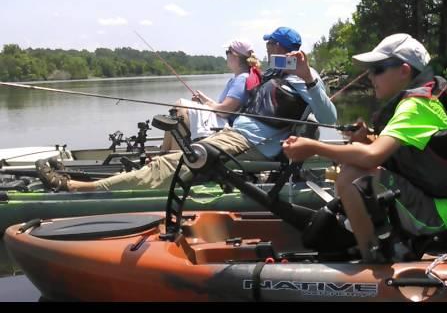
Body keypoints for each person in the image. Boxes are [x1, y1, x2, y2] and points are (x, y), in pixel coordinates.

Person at [37, 26, 337, 193]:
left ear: (286, 49)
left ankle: (79, 188)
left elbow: (329, 118)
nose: (269, 48)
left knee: (174, 163)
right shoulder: (271, 73)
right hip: (235, 135)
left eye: (273, 44)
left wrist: (309, 77)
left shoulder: (303, 77)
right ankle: (106, 181)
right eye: (268, 44)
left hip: (252, 144)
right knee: (174, 159)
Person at [283, 33, 447, 262]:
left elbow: (371, 157)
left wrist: (313, 147)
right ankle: (377, 241)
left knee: (351, 176)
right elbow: (397, 153)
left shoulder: (417, 106)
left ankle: (373, 260)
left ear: (404, 70)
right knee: (356, 168)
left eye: (378, 69)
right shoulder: (419, 100)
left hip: (443, 215)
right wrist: (366, 138)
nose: (370, 76)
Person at [160, 39, 261, 151]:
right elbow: (222, 106)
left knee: (180, 107)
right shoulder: (239, 78)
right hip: (222, 119)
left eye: (227, 52)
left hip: (226, 124)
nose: (226, 56)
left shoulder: (242, 79)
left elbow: (225, 111)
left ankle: (176, 154)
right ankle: (165, 153)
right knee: (178, 110)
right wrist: (204, 100)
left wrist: (207, 103)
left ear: (235, 56)